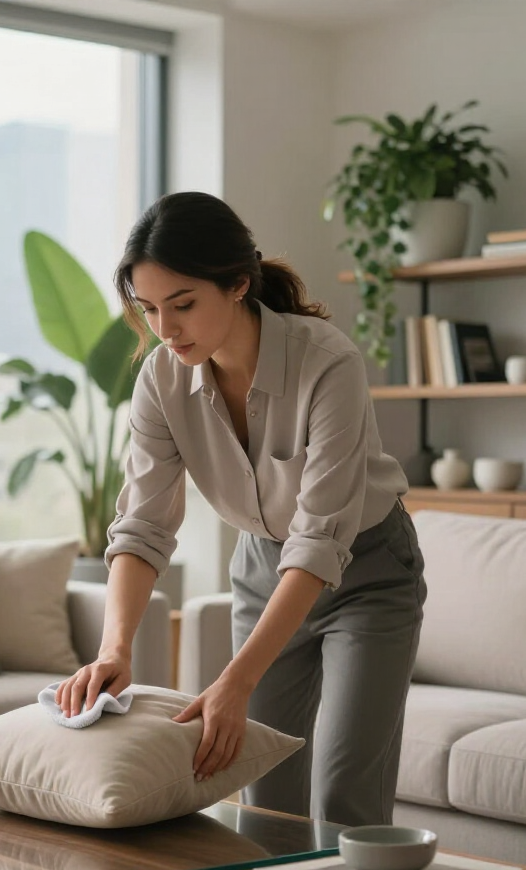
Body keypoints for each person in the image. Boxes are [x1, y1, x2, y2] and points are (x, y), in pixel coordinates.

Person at [55, 191, 426, 828]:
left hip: (366, 572)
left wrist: (235, 680)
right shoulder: (160, 380)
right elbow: (143, 525)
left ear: (237, 285)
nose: (166, 331)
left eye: (183, 305)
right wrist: (115, 649)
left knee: (344, 795)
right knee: (263, 795)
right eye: (149, 311)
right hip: (262, 568)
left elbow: (319, 541)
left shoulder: (327, 360)